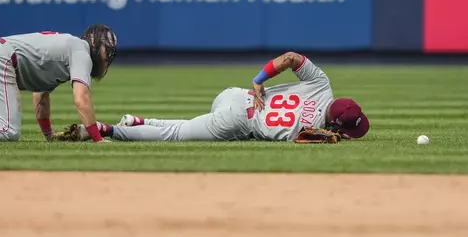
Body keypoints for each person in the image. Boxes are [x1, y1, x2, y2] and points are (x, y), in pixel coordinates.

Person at [57, 52, 369, 143]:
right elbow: (310, 138)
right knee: (177, 134)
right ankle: (110, 130)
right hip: (236, 122)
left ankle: (138, 122)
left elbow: (289, 57)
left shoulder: (321, 83)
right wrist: (331, 136)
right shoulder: (314, 129)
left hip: (235, 94)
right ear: (337, 125)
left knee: (183, 126)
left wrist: (259, 80)